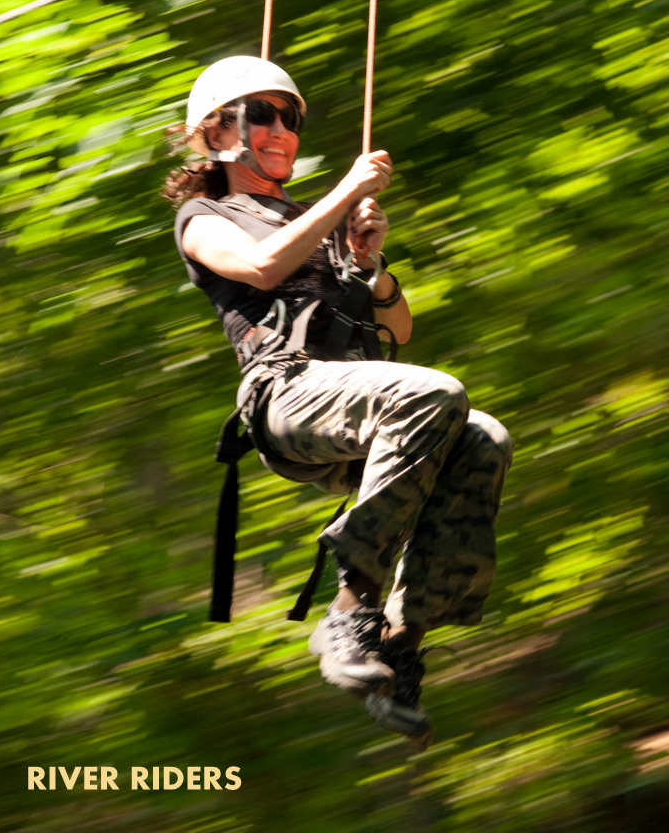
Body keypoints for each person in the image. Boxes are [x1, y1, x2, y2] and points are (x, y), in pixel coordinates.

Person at [165, 55, 512, 749]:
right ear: (216, 135)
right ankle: (352, 604)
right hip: (286, 395)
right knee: (435, 391)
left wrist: (368, 262)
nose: (280, 129)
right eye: (258, 114)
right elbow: (262, 267)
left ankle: (397, 641)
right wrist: (345, 193)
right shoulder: (203, 217)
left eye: (289, 117)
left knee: (483, 437)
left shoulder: (313, 225)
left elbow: (399, 328)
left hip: (352, 400)